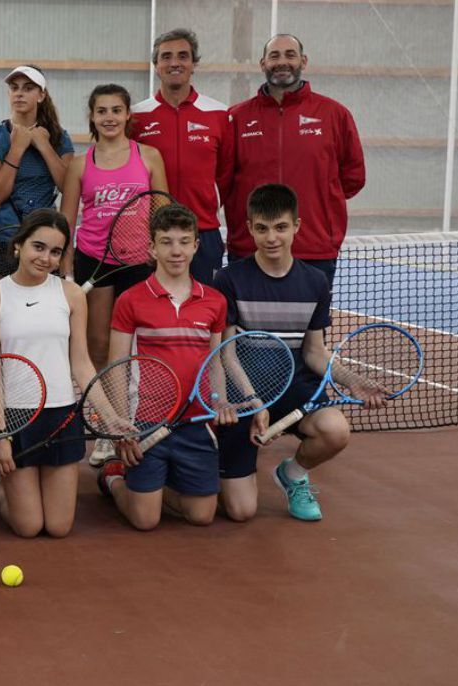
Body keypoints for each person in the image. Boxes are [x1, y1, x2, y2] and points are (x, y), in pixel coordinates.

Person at [213, 183, 381, 522]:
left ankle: (293, 474)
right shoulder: (229, 279)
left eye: (281, 227)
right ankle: (212, 462)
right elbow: (225, 353)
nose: (272, 237)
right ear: (249, 228)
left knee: (336, 430)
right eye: (262, 228)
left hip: (295, 390)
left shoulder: (316, 282)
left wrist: (351, 380)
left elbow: (315, 352)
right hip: (244, 395)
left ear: (297, 226)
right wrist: (253, 401)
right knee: (241, 511)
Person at [99, 204, 230, 529]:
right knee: (145, 521)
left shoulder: (214, 300)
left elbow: (216, 361)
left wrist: (221, 401)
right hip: (146, 422)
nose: (176, 250)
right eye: (167, 242)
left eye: (184, 241)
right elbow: (117, 365)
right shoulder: (130, 300)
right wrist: (118, 425)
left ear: (196, 246)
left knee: (202, 517)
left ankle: (159, 485)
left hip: (195, 421)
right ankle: (113, 478)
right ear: (152, 248)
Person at [0, 210, 95, 538]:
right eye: (38, 247)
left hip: (62, 416)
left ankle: (9, 484)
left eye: (55, 252)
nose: (46, 258)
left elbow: (81, 362)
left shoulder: (72, 295)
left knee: (58, 527)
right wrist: (0, 435)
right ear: (18, 246)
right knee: (28, 527)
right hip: (16, 417)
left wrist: (111, 417)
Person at [222, 34, 365, 286]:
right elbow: (223, 180)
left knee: (311, 326)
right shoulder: (237, 117)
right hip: (249, 249)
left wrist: (318, 204)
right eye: (274, 56)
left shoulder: (335, 114)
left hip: (314, 250)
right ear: (262, 63)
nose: (282, 62)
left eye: (290, 54)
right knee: (246, 326)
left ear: (303, 61)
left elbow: (353, 178)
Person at [60, 84, 168, 378]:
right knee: (97, 343)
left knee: (135, 344)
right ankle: (100, 412)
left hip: (139, 261)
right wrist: (67, 268)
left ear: (128, 114)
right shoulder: (80, 164)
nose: (110, 117)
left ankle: (130, 410)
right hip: (94, 258)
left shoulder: (149, 156)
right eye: (102, 111)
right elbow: (66, 221)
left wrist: (159, 255)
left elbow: (162, 213)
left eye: (116, 110)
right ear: (92, 117)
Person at [131, 29, 233, 285]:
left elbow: (226, 177)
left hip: (204, 233)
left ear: (194, 63)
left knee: (202, 314)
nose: (174, 63)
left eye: (183, 56)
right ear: (156, 65)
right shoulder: (135, 116)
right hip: (148, 234)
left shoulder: (219, 114)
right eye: (166, 56)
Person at [0, 65, 74, 280]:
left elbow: (68, 187)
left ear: (41, 95)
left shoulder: (59, 137)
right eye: (14, 88)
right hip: (3, 238)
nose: (19, 93)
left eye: (28, 88)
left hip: (45, 237)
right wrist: (16, 149)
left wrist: (44, 145)